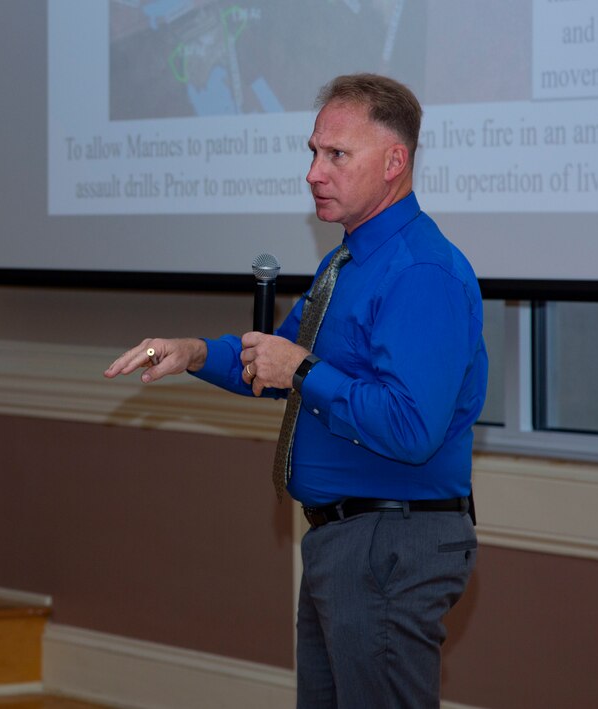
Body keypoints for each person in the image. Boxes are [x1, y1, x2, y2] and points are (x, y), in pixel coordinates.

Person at [104, 73, 487, 708]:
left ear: (395, 162)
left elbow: (411, 429)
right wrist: (194, 353)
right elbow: (271, 362)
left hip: (391, 545)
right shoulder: (348, 264)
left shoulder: (419, 273)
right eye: (313, 152)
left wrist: (304, 371)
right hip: (345, 542)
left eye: (336, 155)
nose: (314, 172)